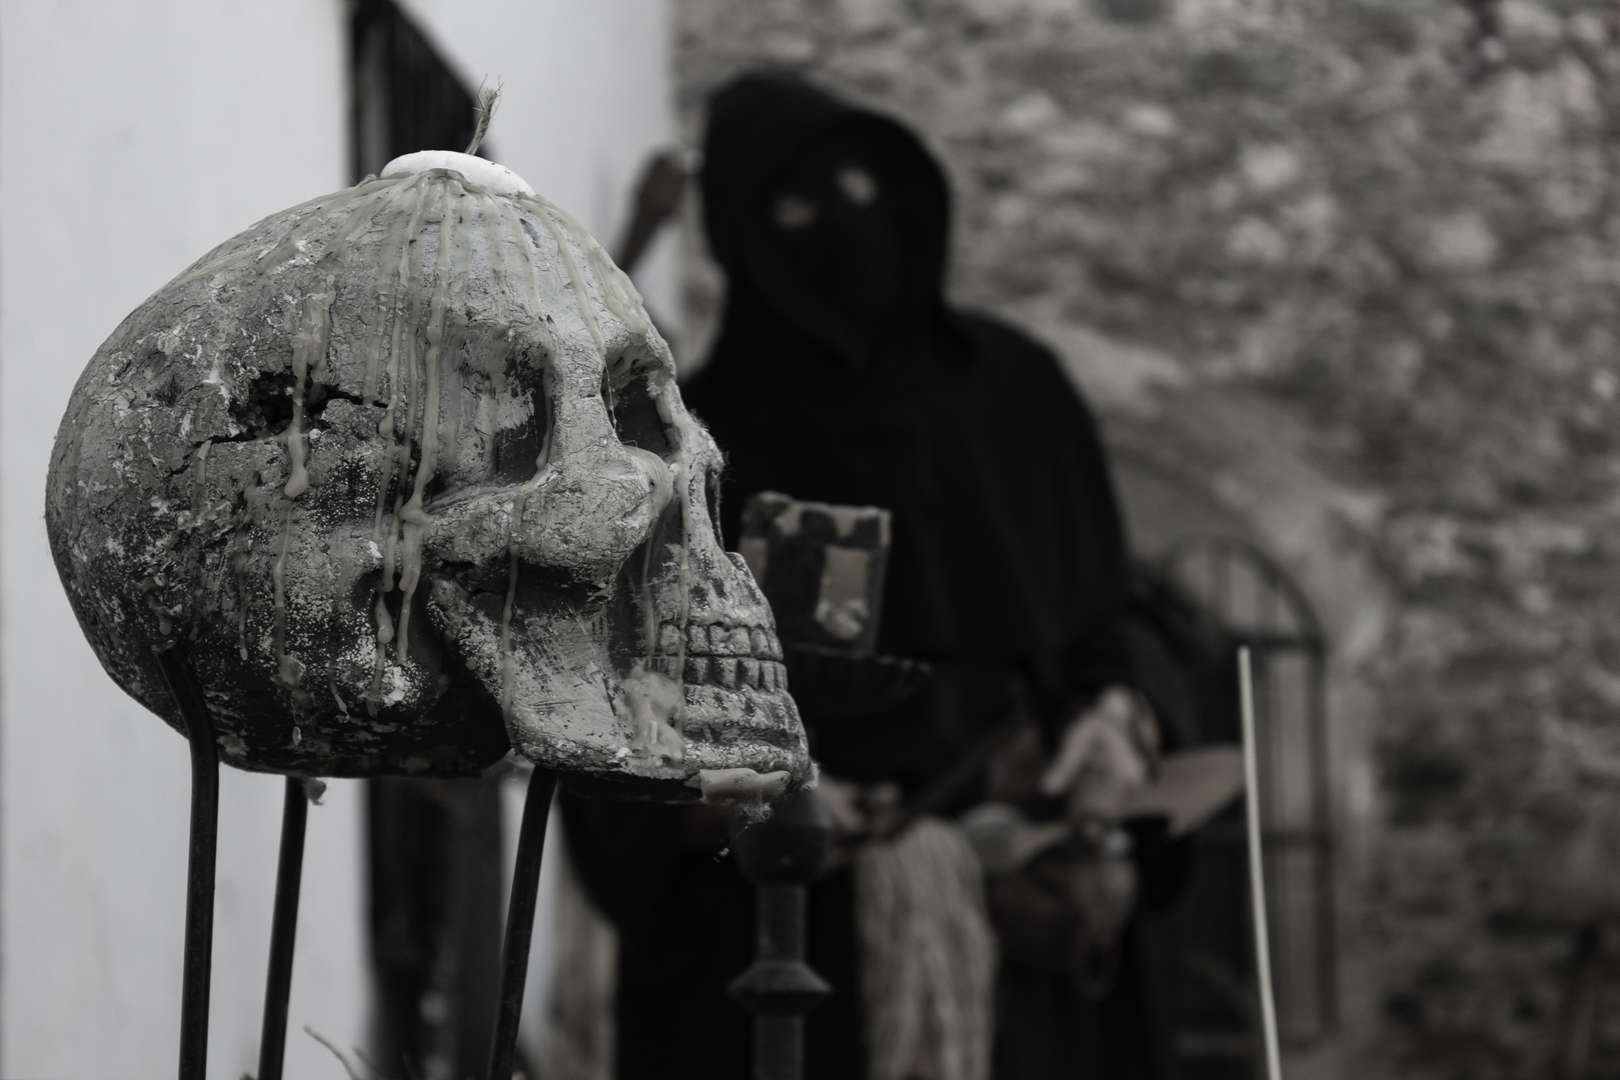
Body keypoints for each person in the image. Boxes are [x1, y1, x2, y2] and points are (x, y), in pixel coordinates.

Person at [560, 72, 1181, 1080]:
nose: (840, 238)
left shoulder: (1017, 401)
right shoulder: (688, 450)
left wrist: (1121, 714)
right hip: (777, 942)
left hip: (1026, 934)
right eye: (794, 211)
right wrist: (744, 793)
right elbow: (614, 708)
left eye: (861, 196)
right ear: (741, 237)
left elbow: (1115, 617)